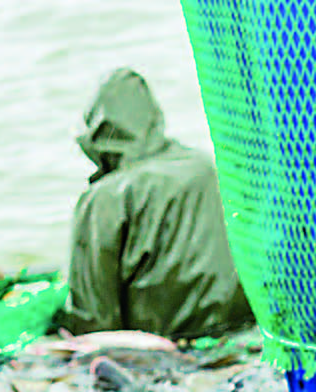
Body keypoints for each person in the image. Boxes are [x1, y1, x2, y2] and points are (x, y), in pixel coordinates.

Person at [59, 68, 253, 340]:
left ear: (95, 134)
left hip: (165, 344)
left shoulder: (104, 198)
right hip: (240, 328)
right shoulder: (203, 165)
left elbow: (93, 319)